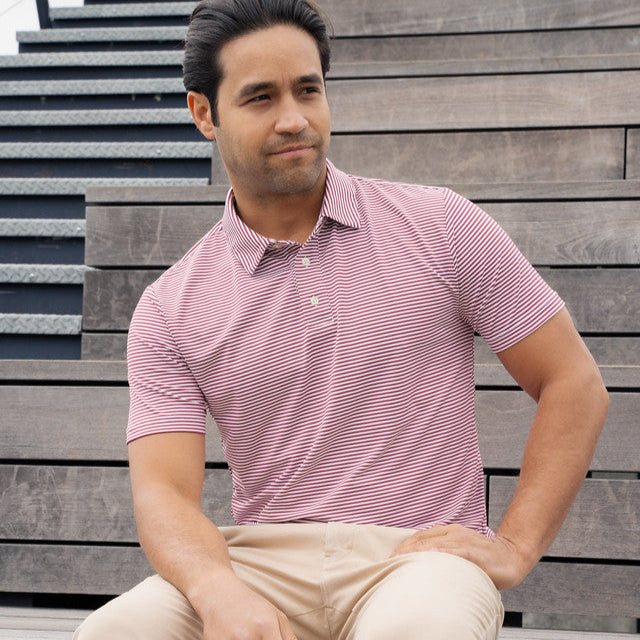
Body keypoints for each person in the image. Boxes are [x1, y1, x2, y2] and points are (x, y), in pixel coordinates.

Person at [74, 0, 609, 638]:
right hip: (260, 564)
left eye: (308, 90)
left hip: (417, 560)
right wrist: (217, 590)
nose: (294, 119)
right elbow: (163, 491)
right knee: (114, 633)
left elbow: (573, 382)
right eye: (260, 98)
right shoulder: (171, 306)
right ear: (204, 114)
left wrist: (516, 545)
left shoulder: (440, 225)